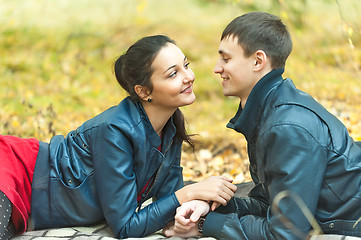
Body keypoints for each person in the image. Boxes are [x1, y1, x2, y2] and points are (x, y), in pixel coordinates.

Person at [0, 34, 237, 239]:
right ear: (143, 92)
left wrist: (188, 212)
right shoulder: (115, 130)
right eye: (173, 73)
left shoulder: (170, 127)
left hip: (30, 203)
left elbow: (168, 206)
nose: (189, 76)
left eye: (186, 65)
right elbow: (125, 227)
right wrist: (190, 192)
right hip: (17, 170)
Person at [163, 12, 361, 239]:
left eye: (226, 59)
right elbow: (273, 201)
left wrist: (204, 226)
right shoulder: (271, 107)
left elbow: (285, 233)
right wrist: (210, 208)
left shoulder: (287, 127)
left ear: (258, 61)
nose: (217, 69)